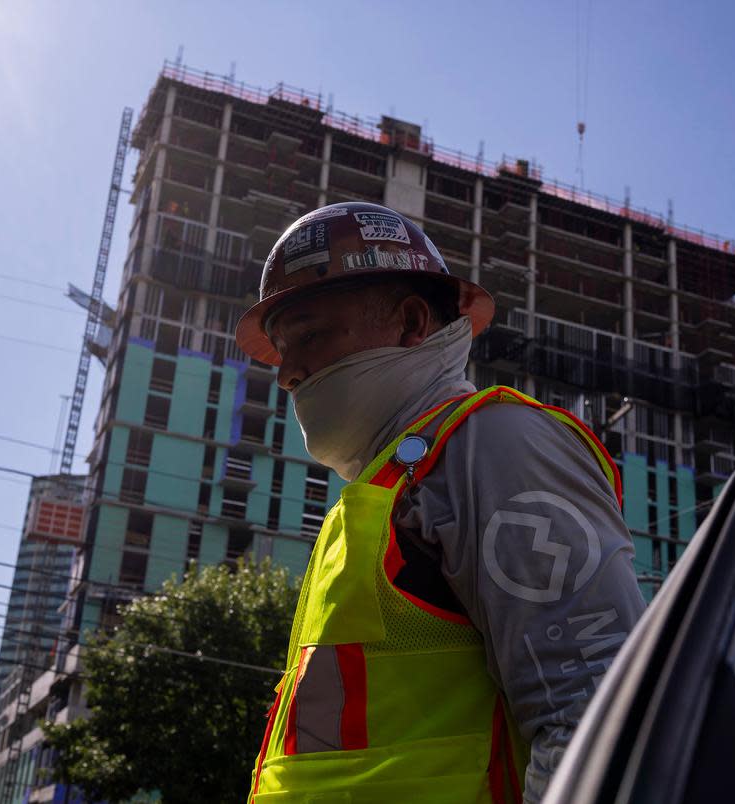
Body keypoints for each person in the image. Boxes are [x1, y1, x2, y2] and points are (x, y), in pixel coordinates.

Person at [236, 202, 646, 803]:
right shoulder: (386, 491)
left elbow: (597, 721)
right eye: (280, 347)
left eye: (310, 335)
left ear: (410, 323)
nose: (287, 373)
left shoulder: (496, 446)